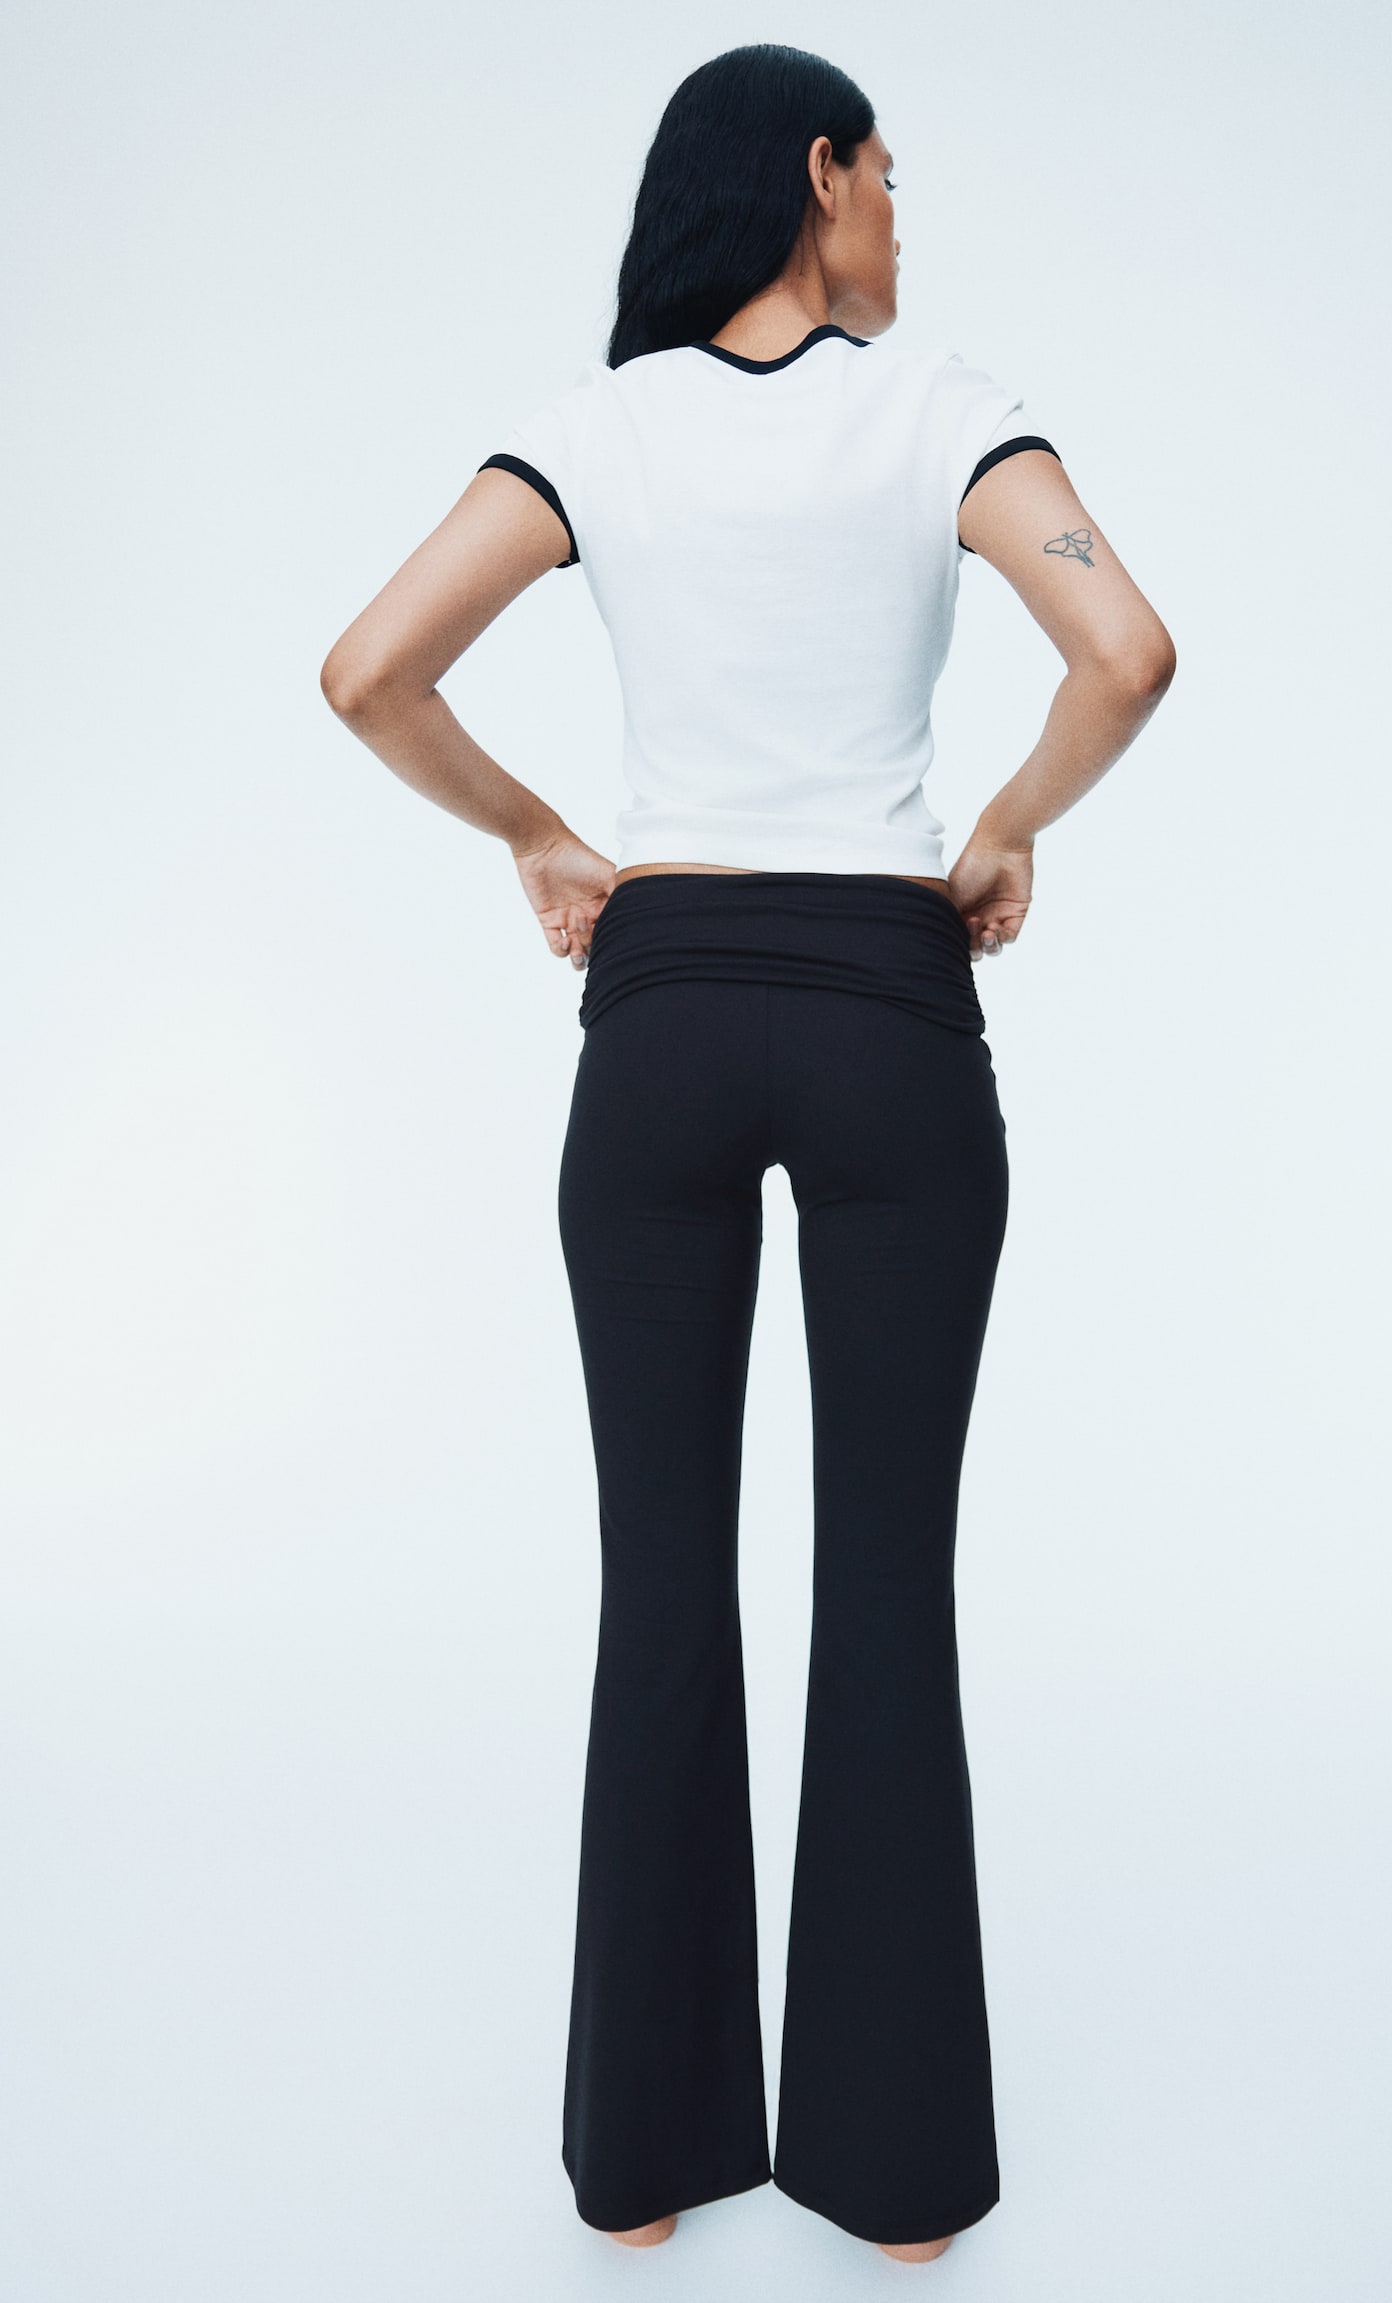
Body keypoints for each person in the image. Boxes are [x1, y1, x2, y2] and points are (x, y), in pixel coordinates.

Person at [320, 41, 1175, 2267]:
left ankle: (640, 2172)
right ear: (817, 173)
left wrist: (539, 832)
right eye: (887, 172)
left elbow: (369, 668)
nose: (898, 211)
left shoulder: (595, 429)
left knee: (661, 1582)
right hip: (893, 1014)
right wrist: (1003, 828)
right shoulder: (948, 410)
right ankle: (898, 2189)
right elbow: (1125, 649)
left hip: (667, 1018)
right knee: (886, 1582)